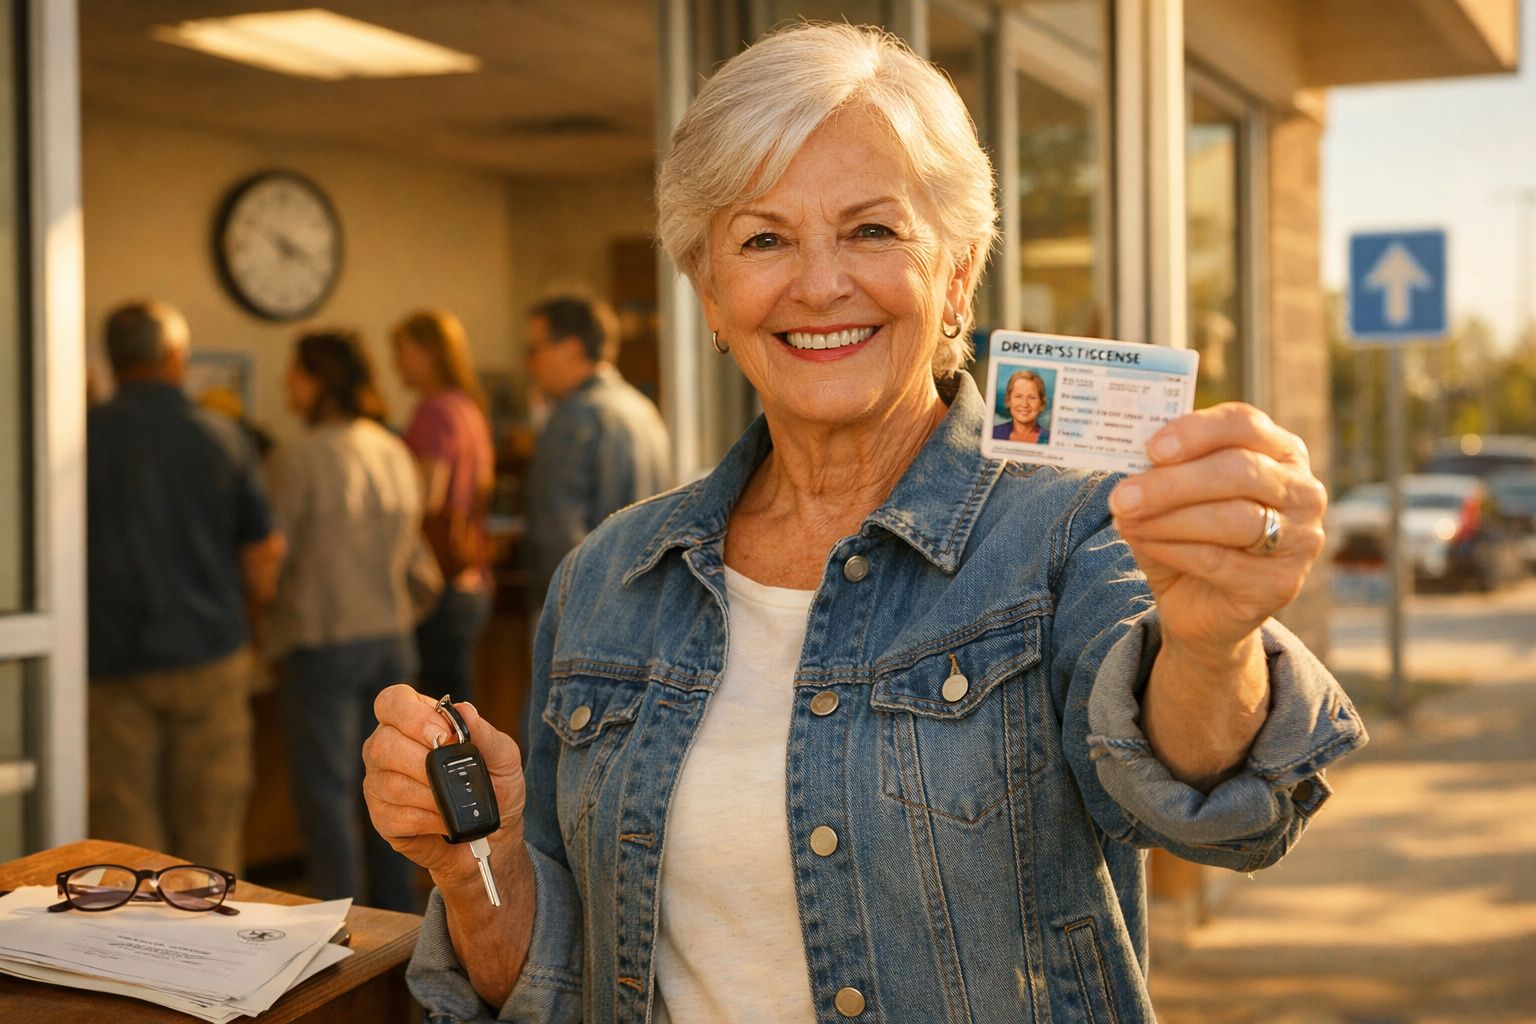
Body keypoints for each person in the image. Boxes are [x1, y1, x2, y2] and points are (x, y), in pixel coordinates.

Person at [362, 24, 1366, 1023]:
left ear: (959, 274)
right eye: (763, 239)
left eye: (872, 230)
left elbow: (1215, 814)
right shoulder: (608, 576)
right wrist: (477, 865)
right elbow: (549, 986)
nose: (818, 283)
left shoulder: (1073, 528)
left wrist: (1211, 642)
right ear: (711, 292)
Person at [86, 300, 282, 874]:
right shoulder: (222, 436)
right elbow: (262, 553)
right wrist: (254, 612)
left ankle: (139, 957)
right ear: (175, 356)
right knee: (212, 831)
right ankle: (212, 956)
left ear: (111, 362)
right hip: (209, 655)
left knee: (126, 839)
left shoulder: (77, 441)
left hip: (111, 665)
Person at [268, 329, 425, 912]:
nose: (288, 385)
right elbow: (420, 567)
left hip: (324, 639)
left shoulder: (299, 456)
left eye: (296, 373)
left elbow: (273, 556)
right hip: (392, 639)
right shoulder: (392, 449)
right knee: (393, 792)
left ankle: (339, 931)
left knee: (327, 794)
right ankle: (399, 929)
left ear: (320, 380)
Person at [520, 295, 672, 605]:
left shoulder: (573, 417)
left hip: (588, 608)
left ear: (572, 348)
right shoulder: (642, 408)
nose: (529, 363)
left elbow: (558, 538)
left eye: (534, 349)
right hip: (643, 599)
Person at [393, 309, 497, 706]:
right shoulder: (469, 407)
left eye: (402, 351)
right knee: (459, 702)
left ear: (428, 351)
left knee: (439, 713)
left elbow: (428, 498)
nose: (396, 363)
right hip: (475, 572)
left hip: (442, 576)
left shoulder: (433, 409)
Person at [993, 367, 1051, 442]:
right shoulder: (993, 434)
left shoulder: (1050, 440)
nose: (1024, 404)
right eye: (1018, 396)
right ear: (1008, 401)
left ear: (1042, 404)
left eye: (1032, 398)